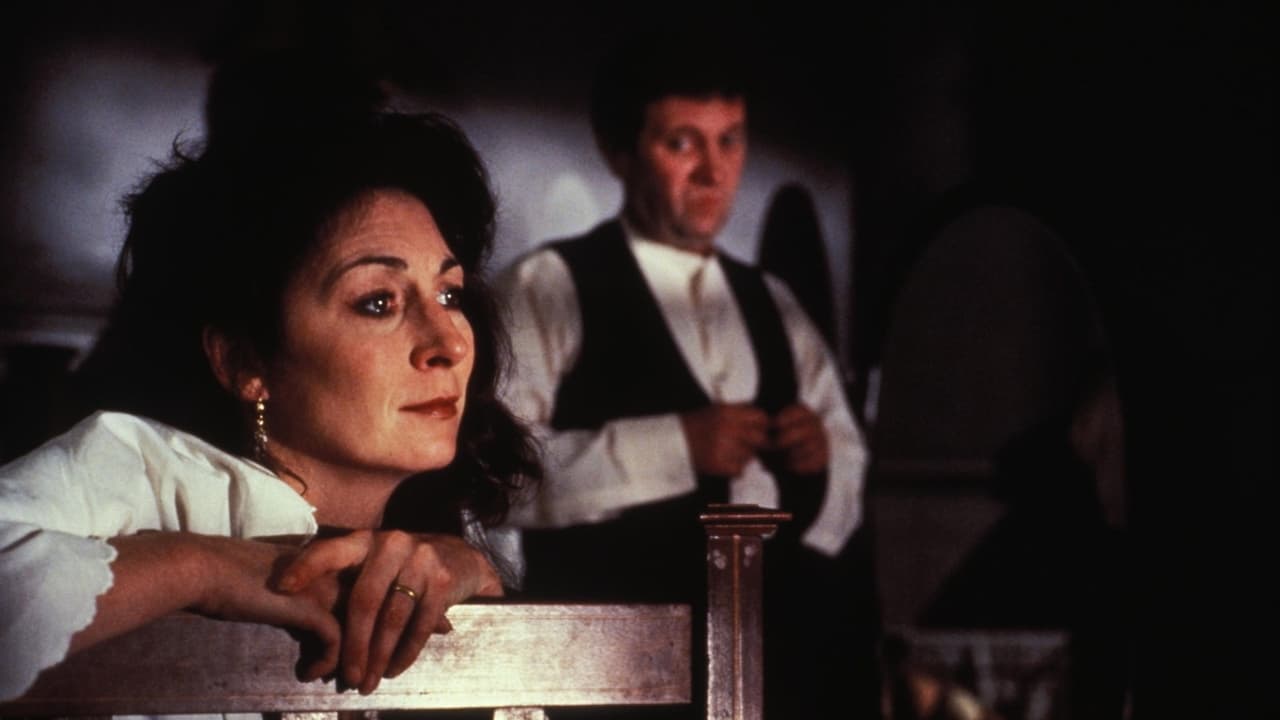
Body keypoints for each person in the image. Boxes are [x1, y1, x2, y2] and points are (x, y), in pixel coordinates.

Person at [0, 53, 538, 703]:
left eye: (449, 295)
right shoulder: (139, 471)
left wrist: (481, 586)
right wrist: (206, 567)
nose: (448, 343)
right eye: (379, 302)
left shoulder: (446, 538)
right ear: (245, 363)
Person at [497, 33, 877, 718]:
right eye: (682, 144)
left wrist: (820, 463)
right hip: (611, 682)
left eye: (730, 141)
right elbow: (498, 481)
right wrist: (676, 446)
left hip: (777, 675)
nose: (713, 172)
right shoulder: (548, 286)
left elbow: (849, 478)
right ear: (619, 152)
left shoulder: (776, 304)